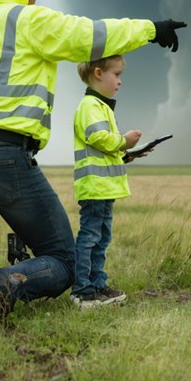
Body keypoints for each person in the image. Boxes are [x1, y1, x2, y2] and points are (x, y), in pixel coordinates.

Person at [0, 0, 185, 324]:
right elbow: (91, 36)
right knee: (66, 259)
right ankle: (12, 281)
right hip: (6, 155)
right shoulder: (26, 21)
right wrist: (152, 29)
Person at [70, 54, 144, 309]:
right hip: (95, 188)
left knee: (101, 239)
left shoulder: (101, 107)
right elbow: (99, 137)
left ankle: (97, 284)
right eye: (117, 74)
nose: (120, 82)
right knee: (90, 238)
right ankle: (82, 291)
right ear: (99, 73)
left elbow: (103, 149)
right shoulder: (90, 106)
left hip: (104, 188)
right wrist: (123, 141)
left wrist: (127, 153)